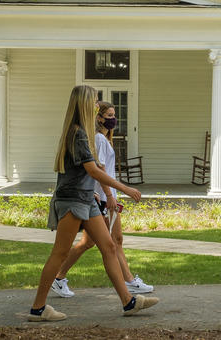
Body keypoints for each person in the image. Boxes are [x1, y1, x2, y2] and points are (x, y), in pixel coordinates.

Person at [28, 85, 159, 321]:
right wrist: (124, 189)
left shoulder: (83, 133)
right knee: (60, 253)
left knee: (108, 246)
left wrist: (97, 192)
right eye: (95, 101)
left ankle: (129, 302)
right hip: (72, 200)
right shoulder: (77, 133)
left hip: (86, 198)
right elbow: (93, 170)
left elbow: (91, 170)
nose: (98, 104)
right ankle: (38, 309)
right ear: (85, 104)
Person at [51, 101, 153, 298]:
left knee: (88, 243)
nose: (113, 119)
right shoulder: (98, 139)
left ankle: (59, 277)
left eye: (114, 115)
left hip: (101, 197)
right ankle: (129, 281)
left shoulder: (104, 139)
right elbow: (100, 170)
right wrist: (109, 196)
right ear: (99, 118)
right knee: (115, 241)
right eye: (109, 116)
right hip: (102, 198)